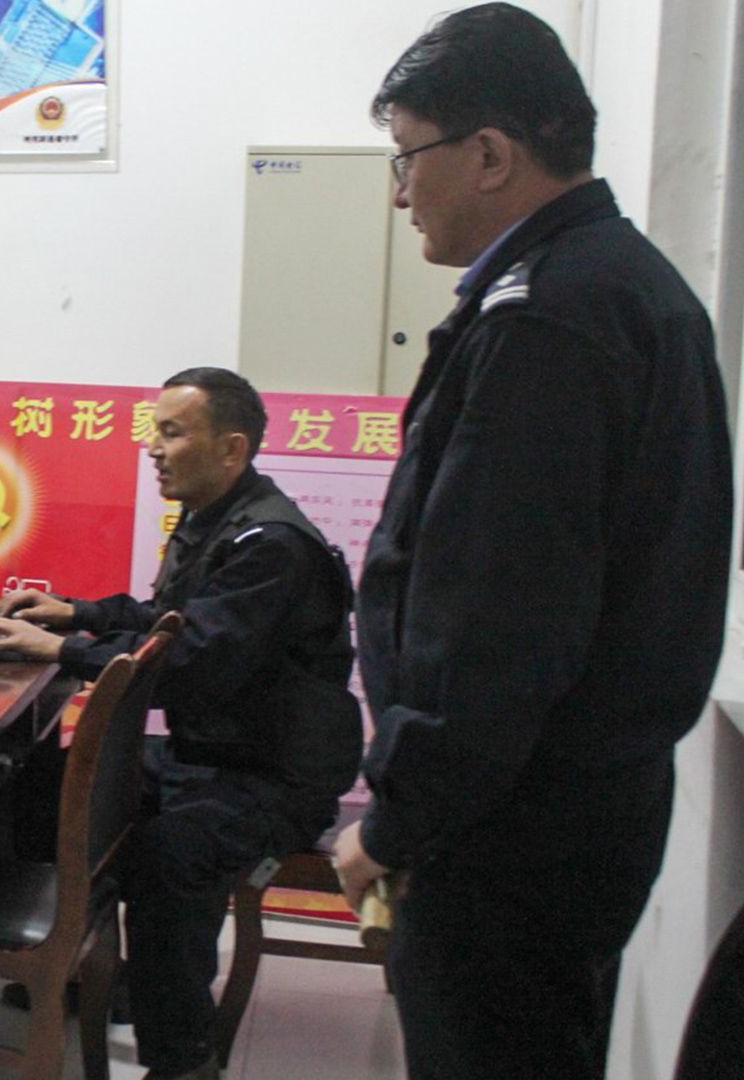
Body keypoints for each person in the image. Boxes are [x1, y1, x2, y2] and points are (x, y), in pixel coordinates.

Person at [330, 6, 733, 1078]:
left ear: (493, 154)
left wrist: (396, 822)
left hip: (509, 837)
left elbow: (495, 624)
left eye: (409, 157)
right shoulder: (627, 289)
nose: (402, 190)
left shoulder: (550, 321)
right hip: (578, 819)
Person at [0, 367, 361, 1080]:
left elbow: (188, 663)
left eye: (172, 432)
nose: (152, 447)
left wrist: (64, 650)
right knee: (41, 785)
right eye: (153, 430)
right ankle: (88, 964)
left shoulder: (270, 545)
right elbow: (172, 620)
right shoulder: (215, 517)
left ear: (232, 448)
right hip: (212, 746)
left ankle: (182, 1059)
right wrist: (80, 613)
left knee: (170, 857)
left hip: (273, 772)